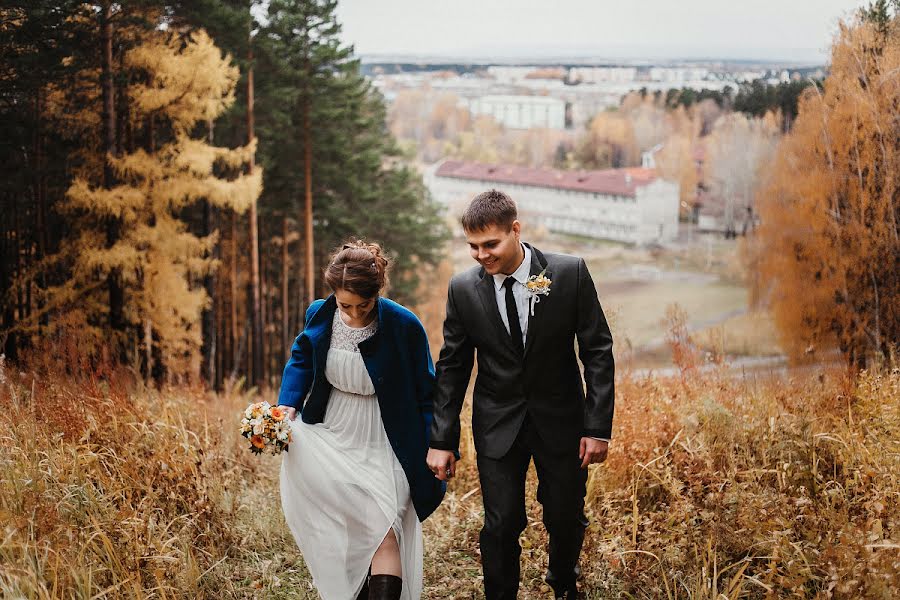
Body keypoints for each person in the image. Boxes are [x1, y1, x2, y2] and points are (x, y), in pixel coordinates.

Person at [426, 190, 615, 600]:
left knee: (565, 515)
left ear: (516, 230)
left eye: (490, 244)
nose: (481, 255)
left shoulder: (570, 274)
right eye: (473, 246)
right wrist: (442, 439)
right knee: (500, 522)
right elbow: (453, 366)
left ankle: (563, 583)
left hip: (562, 420)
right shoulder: (462, 289)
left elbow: (597, 351)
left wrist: (598, 427)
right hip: (497, 422)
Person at [277, 240, 444, 600]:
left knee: (384, 529)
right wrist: (287, 404)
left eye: (363, 305)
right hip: (331, 431)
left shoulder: (404, 325)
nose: (353, 314)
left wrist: (438, 444)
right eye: (345, 305)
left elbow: (426, 392)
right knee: (352, 529)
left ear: (377, 293)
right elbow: (301, 359)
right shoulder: (319, 313)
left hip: (387, 435)